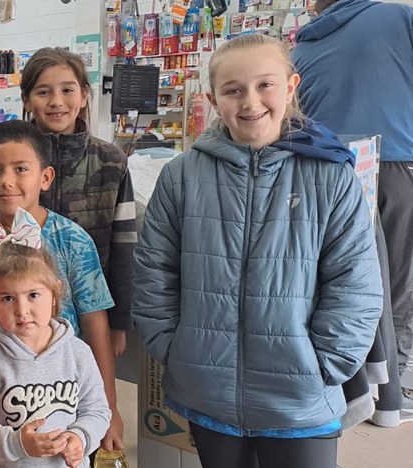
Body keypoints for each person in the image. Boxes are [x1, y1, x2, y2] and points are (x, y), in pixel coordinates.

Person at [132, 34, 383, 468]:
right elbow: (154, 271)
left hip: (301, 398)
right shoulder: (181, 176)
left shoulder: (330, 175)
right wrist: (175, 350)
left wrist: (326, 364)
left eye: (265, 84)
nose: (250, 102)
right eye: (233, 90)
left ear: (290, 86)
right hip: (207, 390)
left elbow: (355, 282)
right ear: (213, 99)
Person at [0, 120, 123, 449]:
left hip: (66, 391)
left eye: (20, 169)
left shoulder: (73, 240)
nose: (6, 181)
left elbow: (94, 322)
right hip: (1, 390)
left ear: (45, 177)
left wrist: (110, 408)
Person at [0, 47, 137, 359]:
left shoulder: (111, 161)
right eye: (43, 91)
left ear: (84, 95)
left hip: (85, 308)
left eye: (67, 90)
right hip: (15, 314)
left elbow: (124, 245)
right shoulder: (8, 153)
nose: (56, 101)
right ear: (26, 99)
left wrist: (119, 322)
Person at [292, 0, 413, 391]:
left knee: (341, 281)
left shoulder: (301, 46)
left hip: (326, 171)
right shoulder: (397, 17)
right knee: (398, 280)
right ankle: (393, 387)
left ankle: (351, 384)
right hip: (397, 161)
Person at [0, 237, 112, 468]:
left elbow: (97, 411)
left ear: (55, 293)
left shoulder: (78, 352)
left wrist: (80, 437)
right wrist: (17, 444)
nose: (22, 310)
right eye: (8, 298)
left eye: (33, 295)